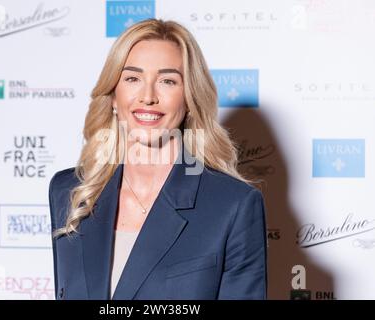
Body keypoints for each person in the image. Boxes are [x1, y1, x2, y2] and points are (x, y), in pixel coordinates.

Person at [49, 19, 267, 300]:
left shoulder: (233, 204)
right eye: (132, 78)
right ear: (114, 95)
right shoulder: (69, 190)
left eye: (167, 81)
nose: (148, 97)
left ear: (189, 98)